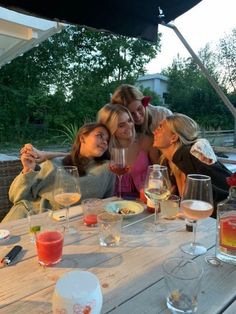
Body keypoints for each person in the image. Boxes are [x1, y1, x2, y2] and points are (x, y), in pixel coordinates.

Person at [2, 123, 115, 222]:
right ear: (82, 138)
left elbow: (86, 193)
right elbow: (14, 196)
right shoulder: (54, 163)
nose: (105, 142)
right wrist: (28, 170)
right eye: (99, 135)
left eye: (107, 140)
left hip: (61, 220)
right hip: (26, 214)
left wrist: (47, 154)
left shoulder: (106, 169)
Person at [153, 113, 231, 216]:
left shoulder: (191, 154)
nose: (154, 131)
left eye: (160, 127)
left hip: (223, 219)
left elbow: (225, 189)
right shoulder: (167, 162)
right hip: (201, 220)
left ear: (173, 137)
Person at [97, 103, 152, 198]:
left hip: (145, 200)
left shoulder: (146, 141)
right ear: (109, 128)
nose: (129, 126)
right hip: (114, 203)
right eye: (121, 125)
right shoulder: (103, 149)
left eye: (129, 120)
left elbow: (160, 170)